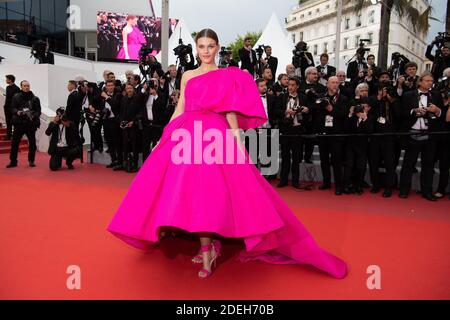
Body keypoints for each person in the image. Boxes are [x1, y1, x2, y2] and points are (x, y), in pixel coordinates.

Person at [107, 28, 347, 280]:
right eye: (202, 46)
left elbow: (230, 111)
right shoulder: (187, 75)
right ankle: (206, 245)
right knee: (186, 191)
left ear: (218, 47)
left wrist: (238, 140)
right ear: (196, 48)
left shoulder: (225, 76)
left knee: (209, 193)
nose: (206, 51)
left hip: (213, 135)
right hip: (186, 134)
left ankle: (209, 248)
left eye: (211, 46)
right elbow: (180, 108)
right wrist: (164, 136)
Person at [6, 80, 41, 168]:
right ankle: (13, 161)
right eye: (25, 86)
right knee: (15, 143)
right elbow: (12, 108)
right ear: (21, 87)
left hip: (30, 124)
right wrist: (17, 112)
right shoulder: (16, 97)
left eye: (28, 86)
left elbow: (38, 111)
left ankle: (31, 160)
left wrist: (33, 115)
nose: (27, 87)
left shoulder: (35, 98)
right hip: (19, 123)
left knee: (32, 143)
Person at [3, 75, 21, 141]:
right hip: (7, 107)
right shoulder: (7, 87)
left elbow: (18, 99)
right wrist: (5, 106)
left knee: (14, 122)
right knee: (8, 122)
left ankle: (16, 136)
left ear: (10, 80)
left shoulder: (17, 88)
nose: (6, 80)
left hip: (13, 109)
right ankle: (8, 136)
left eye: (7, 79)